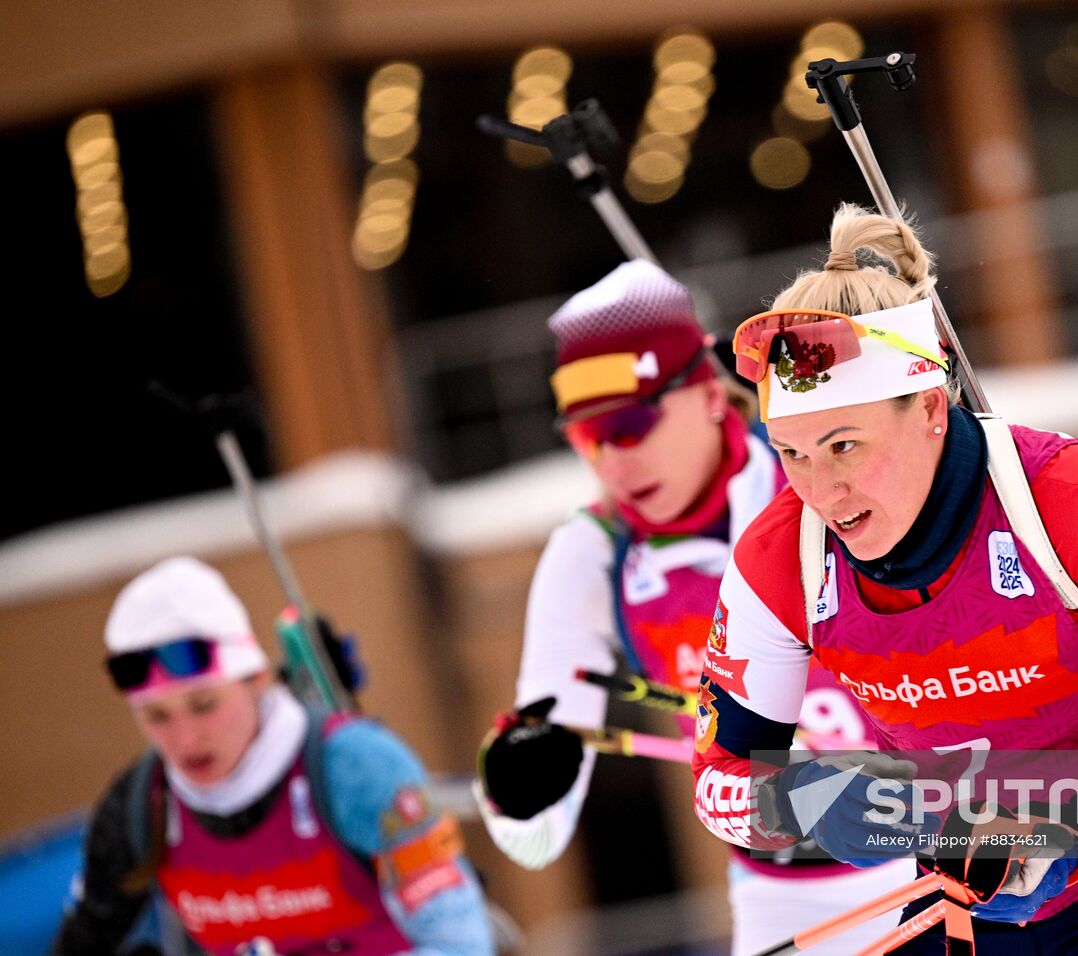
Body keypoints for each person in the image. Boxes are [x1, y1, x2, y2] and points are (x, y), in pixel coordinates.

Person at [691, 205, 1078, 953]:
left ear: (931, 408)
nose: (820, 489)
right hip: (972, 905)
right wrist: (808, 800)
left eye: (844, 445)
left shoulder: (1075, 502)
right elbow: (719, 783)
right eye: (792, 453)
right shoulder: (780, 560)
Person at [473, 259, 909, 955]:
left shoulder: (822, 476)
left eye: (632, 423)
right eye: (587, 437)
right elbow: (533, 842)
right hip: (784, 897)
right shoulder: (594, 554)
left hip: (950, 855)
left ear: (710, 392)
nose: (613, 463)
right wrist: (520, 787)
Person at [52, 555, 495, 956]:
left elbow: (461, 944)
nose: (185, 739)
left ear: (257, 679)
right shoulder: (139, 805)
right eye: (156, 716)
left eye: (205, 705)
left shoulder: (353, 767)